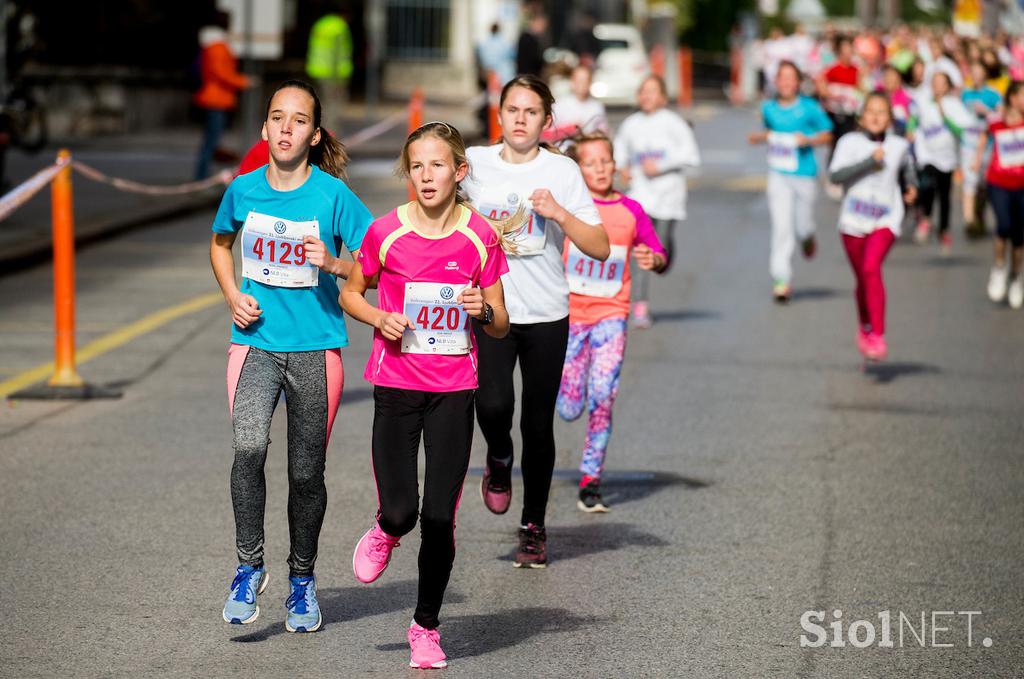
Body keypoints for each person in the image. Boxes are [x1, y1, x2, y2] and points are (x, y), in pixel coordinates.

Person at [341, 121, 511, 668]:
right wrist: (379, 317)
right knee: (402, 510)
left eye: (437, 165)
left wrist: (479, 311)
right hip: (394, 386)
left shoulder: (479, 236)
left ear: (458, 172)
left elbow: (501, 321)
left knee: (440, 516)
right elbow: (351, 291)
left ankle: (425, 626)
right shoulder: (386, 232)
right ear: (408, 173)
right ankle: (386, 531)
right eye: (417, 166)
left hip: (453, 391)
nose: (426, 175)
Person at [210, 80, 371, 632]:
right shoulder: (243, 189)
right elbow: (219, 242)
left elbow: (376, 262)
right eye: (277, 117)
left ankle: (302, 581)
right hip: (254, 344)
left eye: (298, 120)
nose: (285, 128)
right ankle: (248, 568)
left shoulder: (332, 196)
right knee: (248, 446)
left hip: (316, 351)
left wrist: (333, 262)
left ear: (314, 133)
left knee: (306, 475)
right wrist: (233, 296)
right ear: (263, 129)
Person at [463, 74, 609, 568]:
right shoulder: (475, 165)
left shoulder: (562, 171)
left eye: (531, 112)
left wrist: (561, 214)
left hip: (547, 312)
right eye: (512, 110)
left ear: (546, 121)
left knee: (537, 422)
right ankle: (499, 457)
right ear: (498, 115)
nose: (520, 119)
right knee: (494, 403)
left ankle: (534, 525)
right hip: (492, 308)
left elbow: (600, 245)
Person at [557, 131, 667, 511]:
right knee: (570, 408)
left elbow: (657, 250)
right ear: (579, 168)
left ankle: (591, 479)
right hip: (570, 317)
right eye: (590, 162)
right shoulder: (569, 208)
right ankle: (572, 393)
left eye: (605, 161)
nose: (600, 169)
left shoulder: (631, 211)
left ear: (615, 165)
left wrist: (656, 260)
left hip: (611, 316)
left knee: (603, 396)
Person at [828, 92, 918, 362]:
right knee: (862, 279)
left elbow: (907, 168)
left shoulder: (899, 145)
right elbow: (835, 175)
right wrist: (870, 161)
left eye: (882, 112)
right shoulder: (849, 142)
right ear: (862, 117)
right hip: (853, 222)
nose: (876, 116)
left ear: (889, 118)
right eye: (871, 111)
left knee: (871, 268)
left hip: (886, 219)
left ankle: (877, 333)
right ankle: (865, 326)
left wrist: (911, 187)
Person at [613, 75, 700, 327]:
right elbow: (620, 149)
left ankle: (666, 254)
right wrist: (622, 167)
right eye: (643, 91)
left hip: (668, 197)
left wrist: (660, 165)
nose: (647, 96)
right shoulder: (631, 123)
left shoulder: (673, 123)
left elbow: (692, 155)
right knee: (641, 251)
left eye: (653, 92)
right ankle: (640, 306)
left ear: (662, 97)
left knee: (660, 249)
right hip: (640, 196)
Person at [748, 61, 834, 302]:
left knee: (802, 226)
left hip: (804, 174)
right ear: (776, 81)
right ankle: (781, 278)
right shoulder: (769, 108)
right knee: (781, 227)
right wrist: (761, 138)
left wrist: (807, 140)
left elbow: (828, 134)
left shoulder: (809, 108)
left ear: (798, 82)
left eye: (790, 77)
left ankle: (808, 238)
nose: (785, 82)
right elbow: (769, 132)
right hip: (778, 174)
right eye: (781, 77)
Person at [908, 71, 973, 253]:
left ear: (947, 86)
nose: (937, 86)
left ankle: (944, 230)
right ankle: (926, 218)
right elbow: (913, 118)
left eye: (941, 82)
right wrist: (911, 130)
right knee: (927, 184)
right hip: (927, 154)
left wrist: (945, 116)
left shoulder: (954, 105)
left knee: (944, 195)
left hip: (947, 157)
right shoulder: (924, 103)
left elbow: (962, 131)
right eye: (934, 82)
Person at [975, 81, 1024, 309]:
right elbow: (985, 136)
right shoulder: (997, 120)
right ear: (1012, 98)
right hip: (998, 181)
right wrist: (977, 160)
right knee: (1003, 225)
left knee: (1018, 235)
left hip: (1022, 184)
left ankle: (1015, 277)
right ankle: (998, 267)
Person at [194, 10, 251, 180]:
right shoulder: (217, 45)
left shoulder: (214, 44)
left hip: (217, 98)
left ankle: (203, 176)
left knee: (211, 141)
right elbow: (220, 72)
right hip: (215, 98)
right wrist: (243, 81)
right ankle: (201, 178)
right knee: (211, 142)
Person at [961, 60, 1002, 237]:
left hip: (987, 144)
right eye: (973, 72)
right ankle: (969, 221)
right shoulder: (965, 94)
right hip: (968, 144)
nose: (976, 76)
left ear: (985, 74)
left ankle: (980, 215)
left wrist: (987, 111)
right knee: (969, 181)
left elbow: (1002, 116)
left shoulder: (993, 94)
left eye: (979, 73)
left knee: (983, 185)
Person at [306, 11, 354, 132]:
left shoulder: (320, 24)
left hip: (317, 70)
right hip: (334, 73)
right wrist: (336, 77)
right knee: (333, 106)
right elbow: (336, 53)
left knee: (319, 104)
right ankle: (330, 135)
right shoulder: (339, 27)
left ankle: (316, 132)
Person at [546, 64, 609, 144]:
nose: (583, 84)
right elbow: (548, 133)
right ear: (572, 82)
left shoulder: (596, 106)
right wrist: (570, 129)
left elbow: (604, 132)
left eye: (586, 80)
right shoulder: (560, 104)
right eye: (579, 80)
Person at [516, 11, 548, 77]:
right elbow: (534, 58)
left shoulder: (527, 37)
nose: (543, 28)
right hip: (529, 74)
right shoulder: (528, 38)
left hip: (526, 73)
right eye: (542, 25)